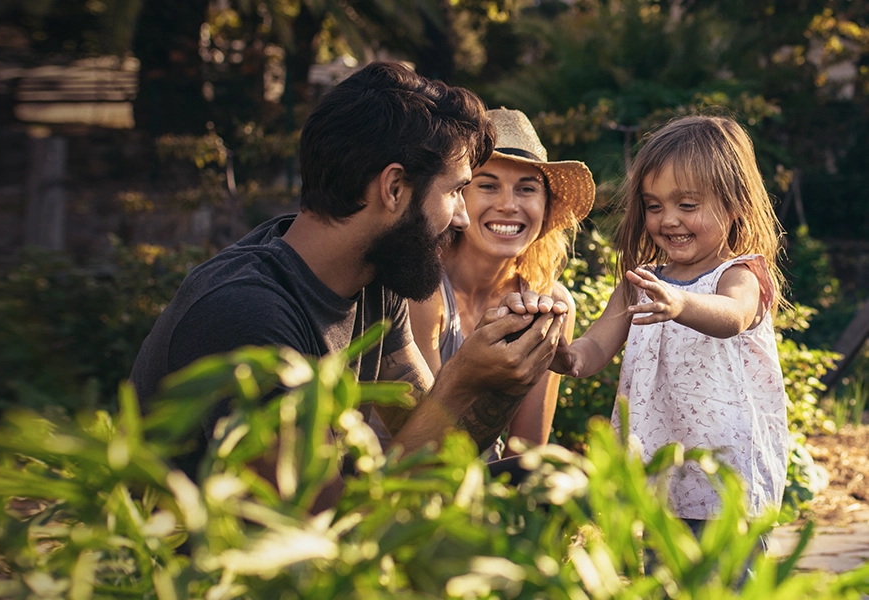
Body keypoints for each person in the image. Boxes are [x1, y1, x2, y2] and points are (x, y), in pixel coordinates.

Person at [128, 62, 570, 509]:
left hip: (324, 542)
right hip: (205, 565)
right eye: (456, 191)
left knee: (550, 479)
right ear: (394, 188)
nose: (461, 216)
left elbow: (429, 444)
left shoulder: (377, 278)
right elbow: (323, 530)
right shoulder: (246, 312)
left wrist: (501, 376)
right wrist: (460, 381)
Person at [548, 115, 789, 549]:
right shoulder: (640, 282)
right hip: (658, 472)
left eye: (687, 205)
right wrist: (566, 356)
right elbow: (597, 344)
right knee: (665, 579)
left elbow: (732, 315)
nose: (668, 219)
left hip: (725, 473)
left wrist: (681, 303)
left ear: (734, 205)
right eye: (654, 206)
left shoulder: (738, 273)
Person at [411, 109, 595, 454]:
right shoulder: (421, 289)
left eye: (527, 189)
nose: (509, 205)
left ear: (547, 206)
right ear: (458, 196)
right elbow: (420, 441)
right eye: (488, 186)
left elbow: (525, 450)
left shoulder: (550, 303)